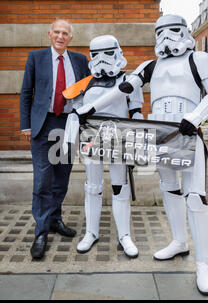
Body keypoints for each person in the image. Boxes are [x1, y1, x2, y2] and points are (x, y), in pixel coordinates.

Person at [73, 15, 208, 295]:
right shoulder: (150, 66)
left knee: (195, 197)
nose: (167, 38)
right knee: (169, 189)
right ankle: (179, 241)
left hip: (188, 133)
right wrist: (88, 110)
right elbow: (123, 88)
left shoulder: (199, 59)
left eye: (173, 31)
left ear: (184, 32)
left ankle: (204, 263)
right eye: (161, 33)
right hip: (160, 135)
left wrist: (196, 116)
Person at [63, 35, 144, 258]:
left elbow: (136, 112)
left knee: (120, 187)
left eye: (108, 53)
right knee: (93, 186)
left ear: (118, 52)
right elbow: (74, 114)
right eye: (96, 54)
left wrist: (139, 141)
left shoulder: (129, 82)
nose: (101, 59)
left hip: (119, 138)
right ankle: (91, 232)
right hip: (91, 139)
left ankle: (124, 235)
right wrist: (68, 144)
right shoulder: (85, 83)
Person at [20, 19, 91, 259]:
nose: (61, 36)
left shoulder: (81, 60)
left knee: (62, 176)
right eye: (57, 32)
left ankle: (54, 219)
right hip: (43, 124)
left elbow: (90, 92)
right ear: (50, 34)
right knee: (42, 180)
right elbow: (26, 92)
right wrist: (26, 125)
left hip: (69, 123)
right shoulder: (36, 57)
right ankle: (41, 232)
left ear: (71, 37)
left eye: (65, 33)